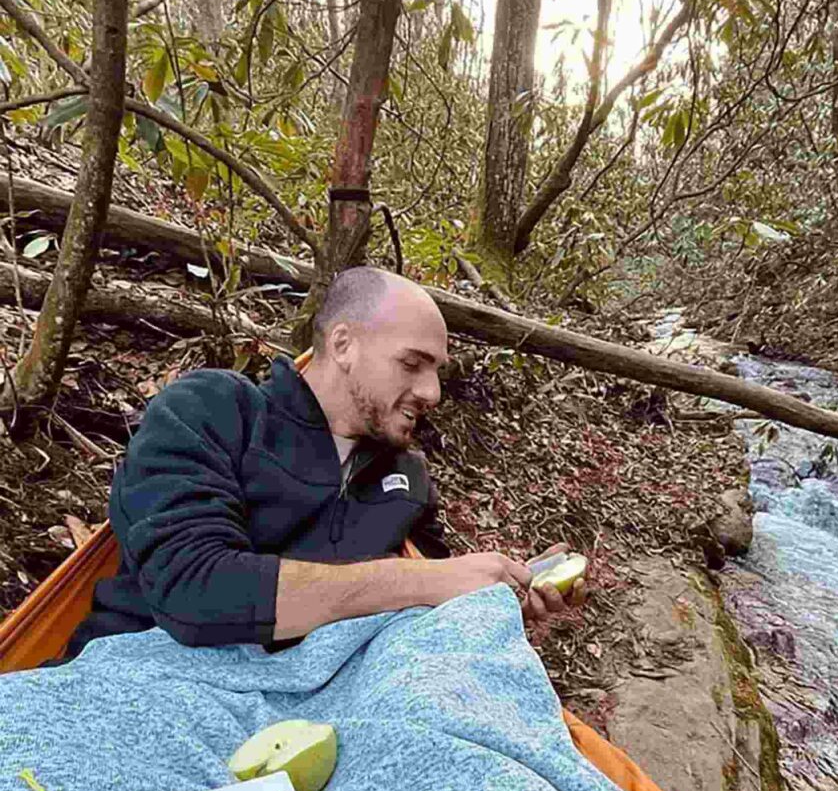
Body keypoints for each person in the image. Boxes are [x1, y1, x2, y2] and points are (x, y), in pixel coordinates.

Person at [58, 266, 586, 662]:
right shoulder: (213, 409)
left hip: (311, 709)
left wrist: (495, 595)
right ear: (342, 344)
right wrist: (426, 582)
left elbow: (421, 610)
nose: (432, 391)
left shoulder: (407, 481)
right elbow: (194, 590)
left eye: (437, 371)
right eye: (412, 363)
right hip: (143, 673)